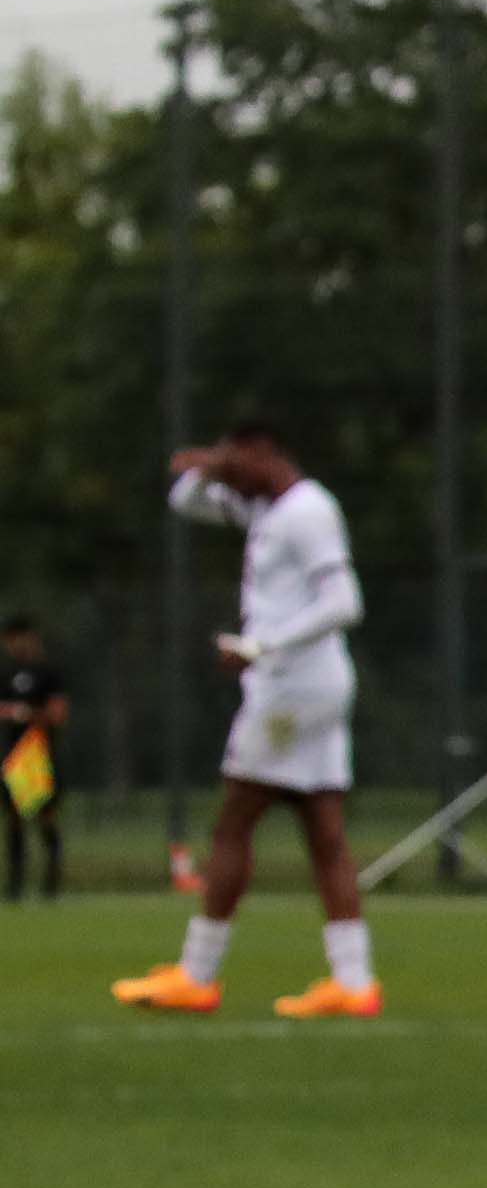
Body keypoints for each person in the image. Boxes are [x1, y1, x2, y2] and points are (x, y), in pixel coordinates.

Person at [114, 421, 380, 1018]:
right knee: (325, 835)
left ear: (268, 452)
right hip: (315, 687)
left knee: (234, 821)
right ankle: (355, 981)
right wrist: (210, 465)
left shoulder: (308, 511)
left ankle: (198, 973)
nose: (232, 476)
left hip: (289, 690)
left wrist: (262, 647)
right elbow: (183, 501)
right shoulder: (264, 509)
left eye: (240, 461)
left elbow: (344, 602)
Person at [4, 614, 68, 901]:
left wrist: (26, 714)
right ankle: (14, 887)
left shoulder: (48, 672)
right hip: (14, 758)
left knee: (46, 818)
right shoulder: (4, 674)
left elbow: (57, 714)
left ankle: (51, 886)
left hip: (41, 755)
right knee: (15, 818)